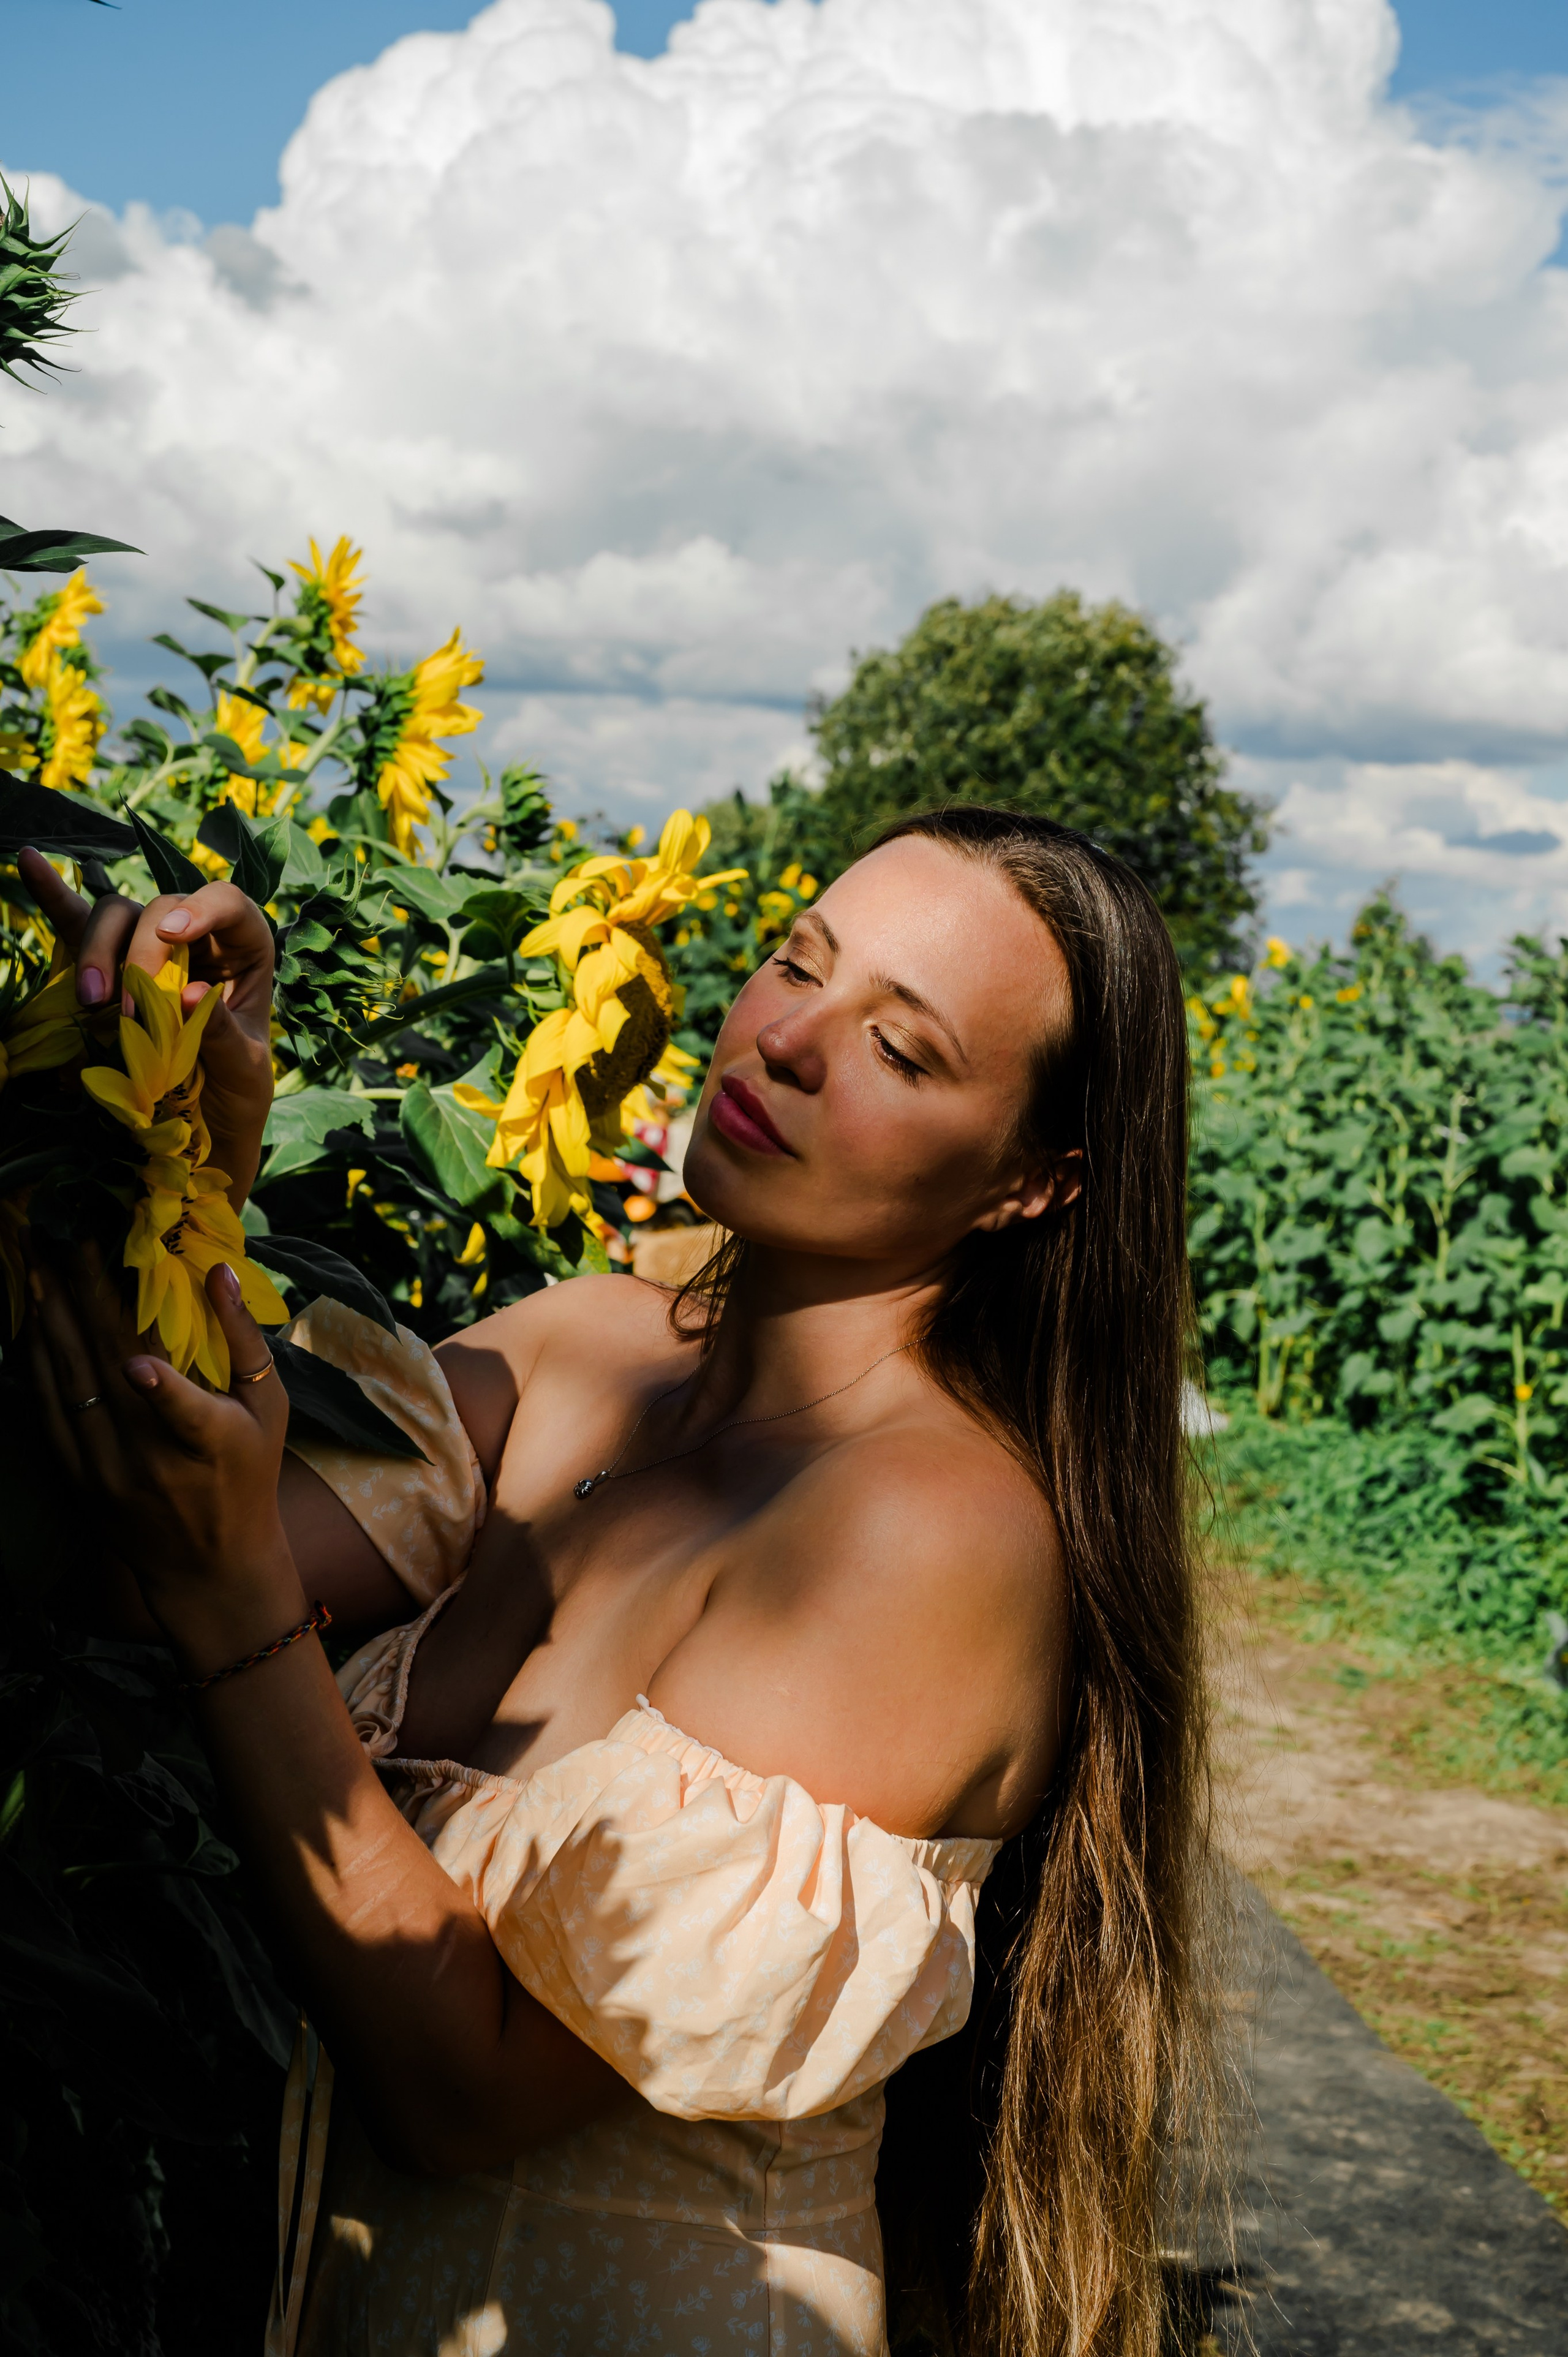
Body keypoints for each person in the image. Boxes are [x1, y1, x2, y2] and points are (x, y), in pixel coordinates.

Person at [22, 807, 1217, 2357]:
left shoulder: (926, 1532)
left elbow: (464, 2089)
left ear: (1030, 1186)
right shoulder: (577, 1350)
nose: (786, 1039)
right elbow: (118, 1554)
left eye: (900, 1049)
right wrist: (158, 1146)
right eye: (796, 961)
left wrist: (238, 1603)